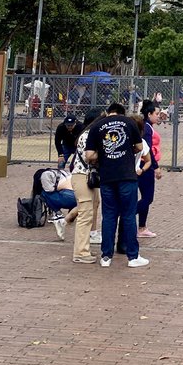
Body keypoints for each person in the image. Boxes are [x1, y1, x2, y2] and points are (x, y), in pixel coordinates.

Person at [84, 102, 149, 268]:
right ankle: (132, 256)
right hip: (127, 175)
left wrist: (105, 152)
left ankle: (106, 256)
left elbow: (89, 155)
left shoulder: (97, 126)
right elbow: (140, 147)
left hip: (107, 177)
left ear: (108, 112)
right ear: (122, 112)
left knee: (109, 216)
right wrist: (126, 150)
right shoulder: (129, 123)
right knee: (128, 215)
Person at [70, 107, 104, 264]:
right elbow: (89, 156)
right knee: (85, 214)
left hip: (87, 176)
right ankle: (80, 252)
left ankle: (84, 248)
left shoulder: (89, 134)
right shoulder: (87, 135)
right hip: (82, 176)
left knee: (91, 208)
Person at [137, 100, 163, 238]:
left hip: (146, 165)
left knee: (147, 197)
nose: (158, 116)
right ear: (149, 114)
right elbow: (147, 150)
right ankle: (126, 215)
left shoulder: (148, 126)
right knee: (147, 198)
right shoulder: (146, 128)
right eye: (156, 114)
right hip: (145, 166)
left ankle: (142, 227)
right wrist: (155, 166)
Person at [37, 165, 79, 240]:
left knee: (44, 193)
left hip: (69, 196)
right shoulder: (63, 172)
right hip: (80, 196)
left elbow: (49, 190)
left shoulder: (44, 175)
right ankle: (70, 216)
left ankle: (57, 214)